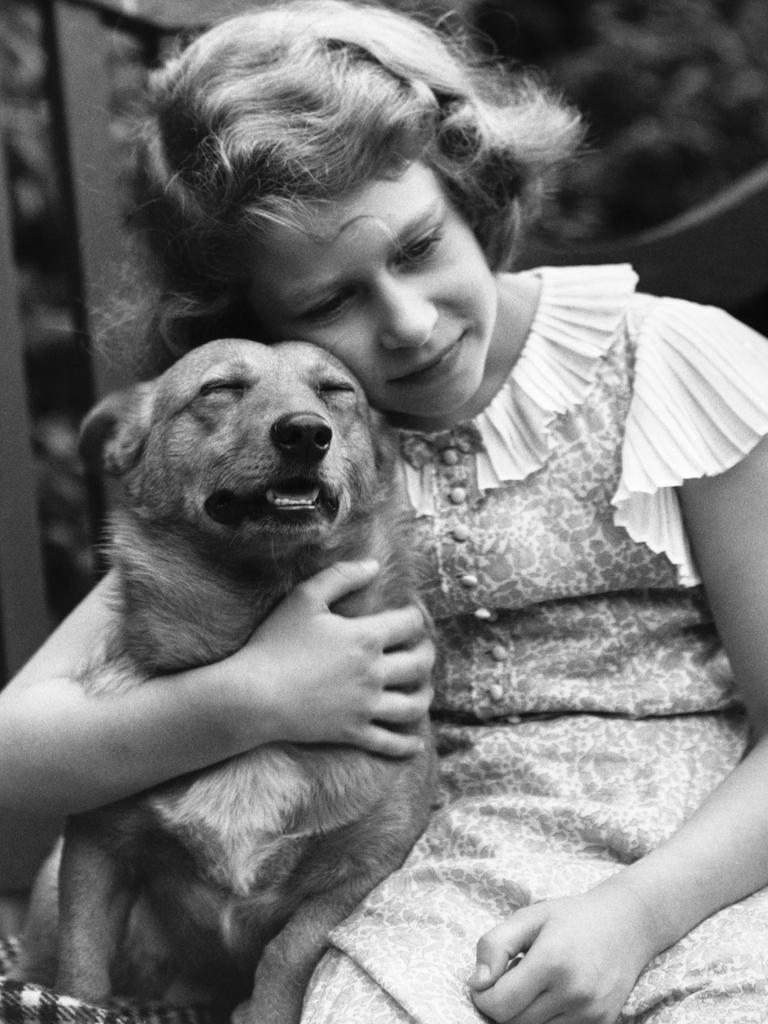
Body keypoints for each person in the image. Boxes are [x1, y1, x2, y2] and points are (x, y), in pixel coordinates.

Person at [2, 1, 768, 1022]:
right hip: (434, 883)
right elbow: (19, 747)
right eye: (326, 305)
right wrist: (251, 695)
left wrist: (636, 912)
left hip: (700, 867)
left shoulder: (668, 365)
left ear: (472, 189)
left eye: (416, 248)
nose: (406, 326)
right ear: (258, 324)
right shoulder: (292, 466)